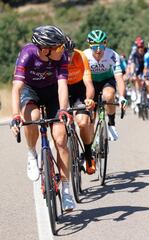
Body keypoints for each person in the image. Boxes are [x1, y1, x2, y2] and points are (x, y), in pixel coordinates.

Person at [10, 25, 76, 211]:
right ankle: (32, 152)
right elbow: (16, 88)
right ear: (45, 49)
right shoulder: (27, 54)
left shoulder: (60, 57)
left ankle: (65, 190)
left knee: (61, 139)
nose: (62, 50)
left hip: (53, 92)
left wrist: (63, 110)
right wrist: (16, 115)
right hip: (31, 91)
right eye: (58, 47)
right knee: (33, 116)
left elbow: (62, 86)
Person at [83, 29, 127, 141]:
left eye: (101, 46)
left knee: (109, 95)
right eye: (95, 47)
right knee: (90, 117)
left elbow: (119, 78)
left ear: (105, 44)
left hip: (107, 80)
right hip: (91, 82)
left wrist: (122, 97)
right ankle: (92, 145)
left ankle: (111, 123)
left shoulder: (112, 55)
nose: (98, 50)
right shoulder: (84, 56)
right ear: (90, 45)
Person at [65, 36, 97, 174]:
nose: (69, 56)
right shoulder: (54, 59)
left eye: (71, 52)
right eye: (66, 53)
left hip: (79, 89)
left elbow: (88, 83)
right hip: (62, 90)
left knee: (83, 123)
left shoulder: (80, 56)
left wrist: (89, 99)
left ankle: (88, 155)